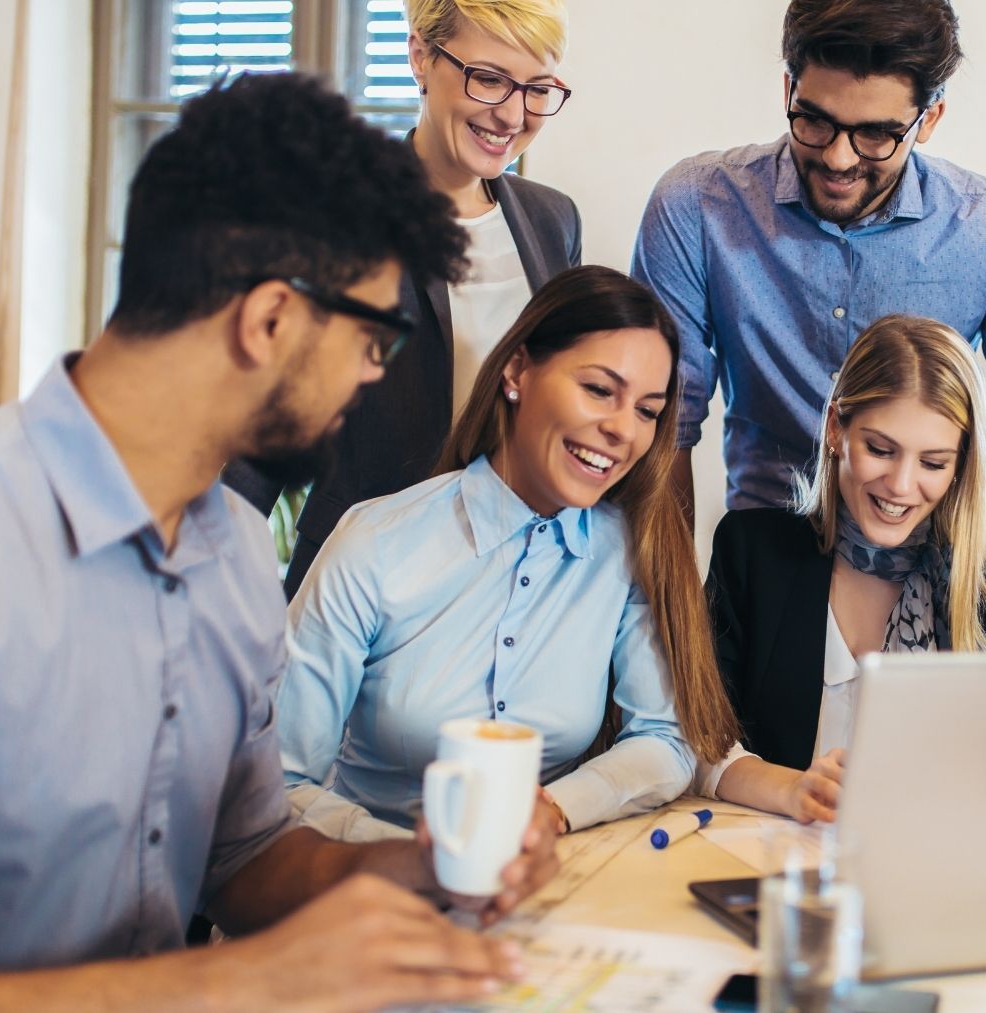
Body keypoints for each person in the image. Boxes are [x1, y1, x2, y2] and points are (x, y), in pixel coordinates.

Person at [0, 74, 555, 1009]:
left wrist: (422, 873)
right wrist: (239, 979)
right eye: (378, 339)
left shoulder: (237, 555)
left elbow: (246, 857)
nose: (374, 378)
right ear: (270, 319)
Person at [629, 0, 986, 570]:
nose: (838, 157)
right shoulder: (698, 206)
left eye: (876, 135)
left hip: (933, 570)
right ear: (787, 90)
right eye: (815, 120)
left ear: (929, 120)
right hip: (768, 564)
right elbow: (664, 420)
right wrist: (668, 614)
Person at [278, 266, 741, 841]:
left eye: (647, 411)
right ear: (517, 370)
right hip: (367, 889)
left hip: (535, 885)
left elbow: (663, 741)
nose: (624, 429)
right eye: (599, 390)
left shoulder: (626, 550)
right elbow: (280, 784)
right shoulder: (374, 543)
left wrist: (552, 808)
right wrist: (419, 861)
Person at [226, 0, 582, 598]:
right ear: (419, 55)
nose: (514, 115)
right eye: (490, 79)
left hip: (515, 587)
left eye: (537, 88)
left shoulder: (553, 221)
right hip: (365, 593)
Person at [697, 315, 986, 823]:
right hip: (767, 871)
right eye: (880, 450)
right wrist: (793, 789)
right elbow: (698, 741)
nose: (901, 486)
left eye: (933, 463)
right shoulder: (753, 553)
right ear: (837, 429)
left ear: (961, 466)